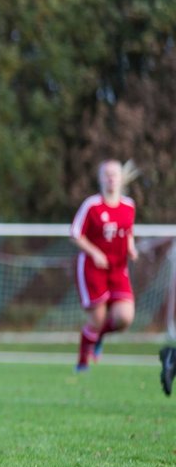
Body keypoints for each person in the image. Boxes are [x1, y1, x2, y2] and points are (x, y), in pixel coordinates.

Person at [70, 159, 138, 372]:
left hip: (118, 268)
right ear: (100, 178)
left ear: (121, 178)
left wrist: (131, 247)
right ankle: (82, 362)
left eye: (115, 174)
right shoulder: (92, 206)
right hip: (93, 268)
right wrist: (95, 252)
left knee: (124, 318)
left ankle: (97, 339)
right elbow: (75, 234)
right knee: (97, 319)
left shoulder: (129, 205)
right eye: (106, 174)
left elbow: (127, 232)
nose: (111, 178)